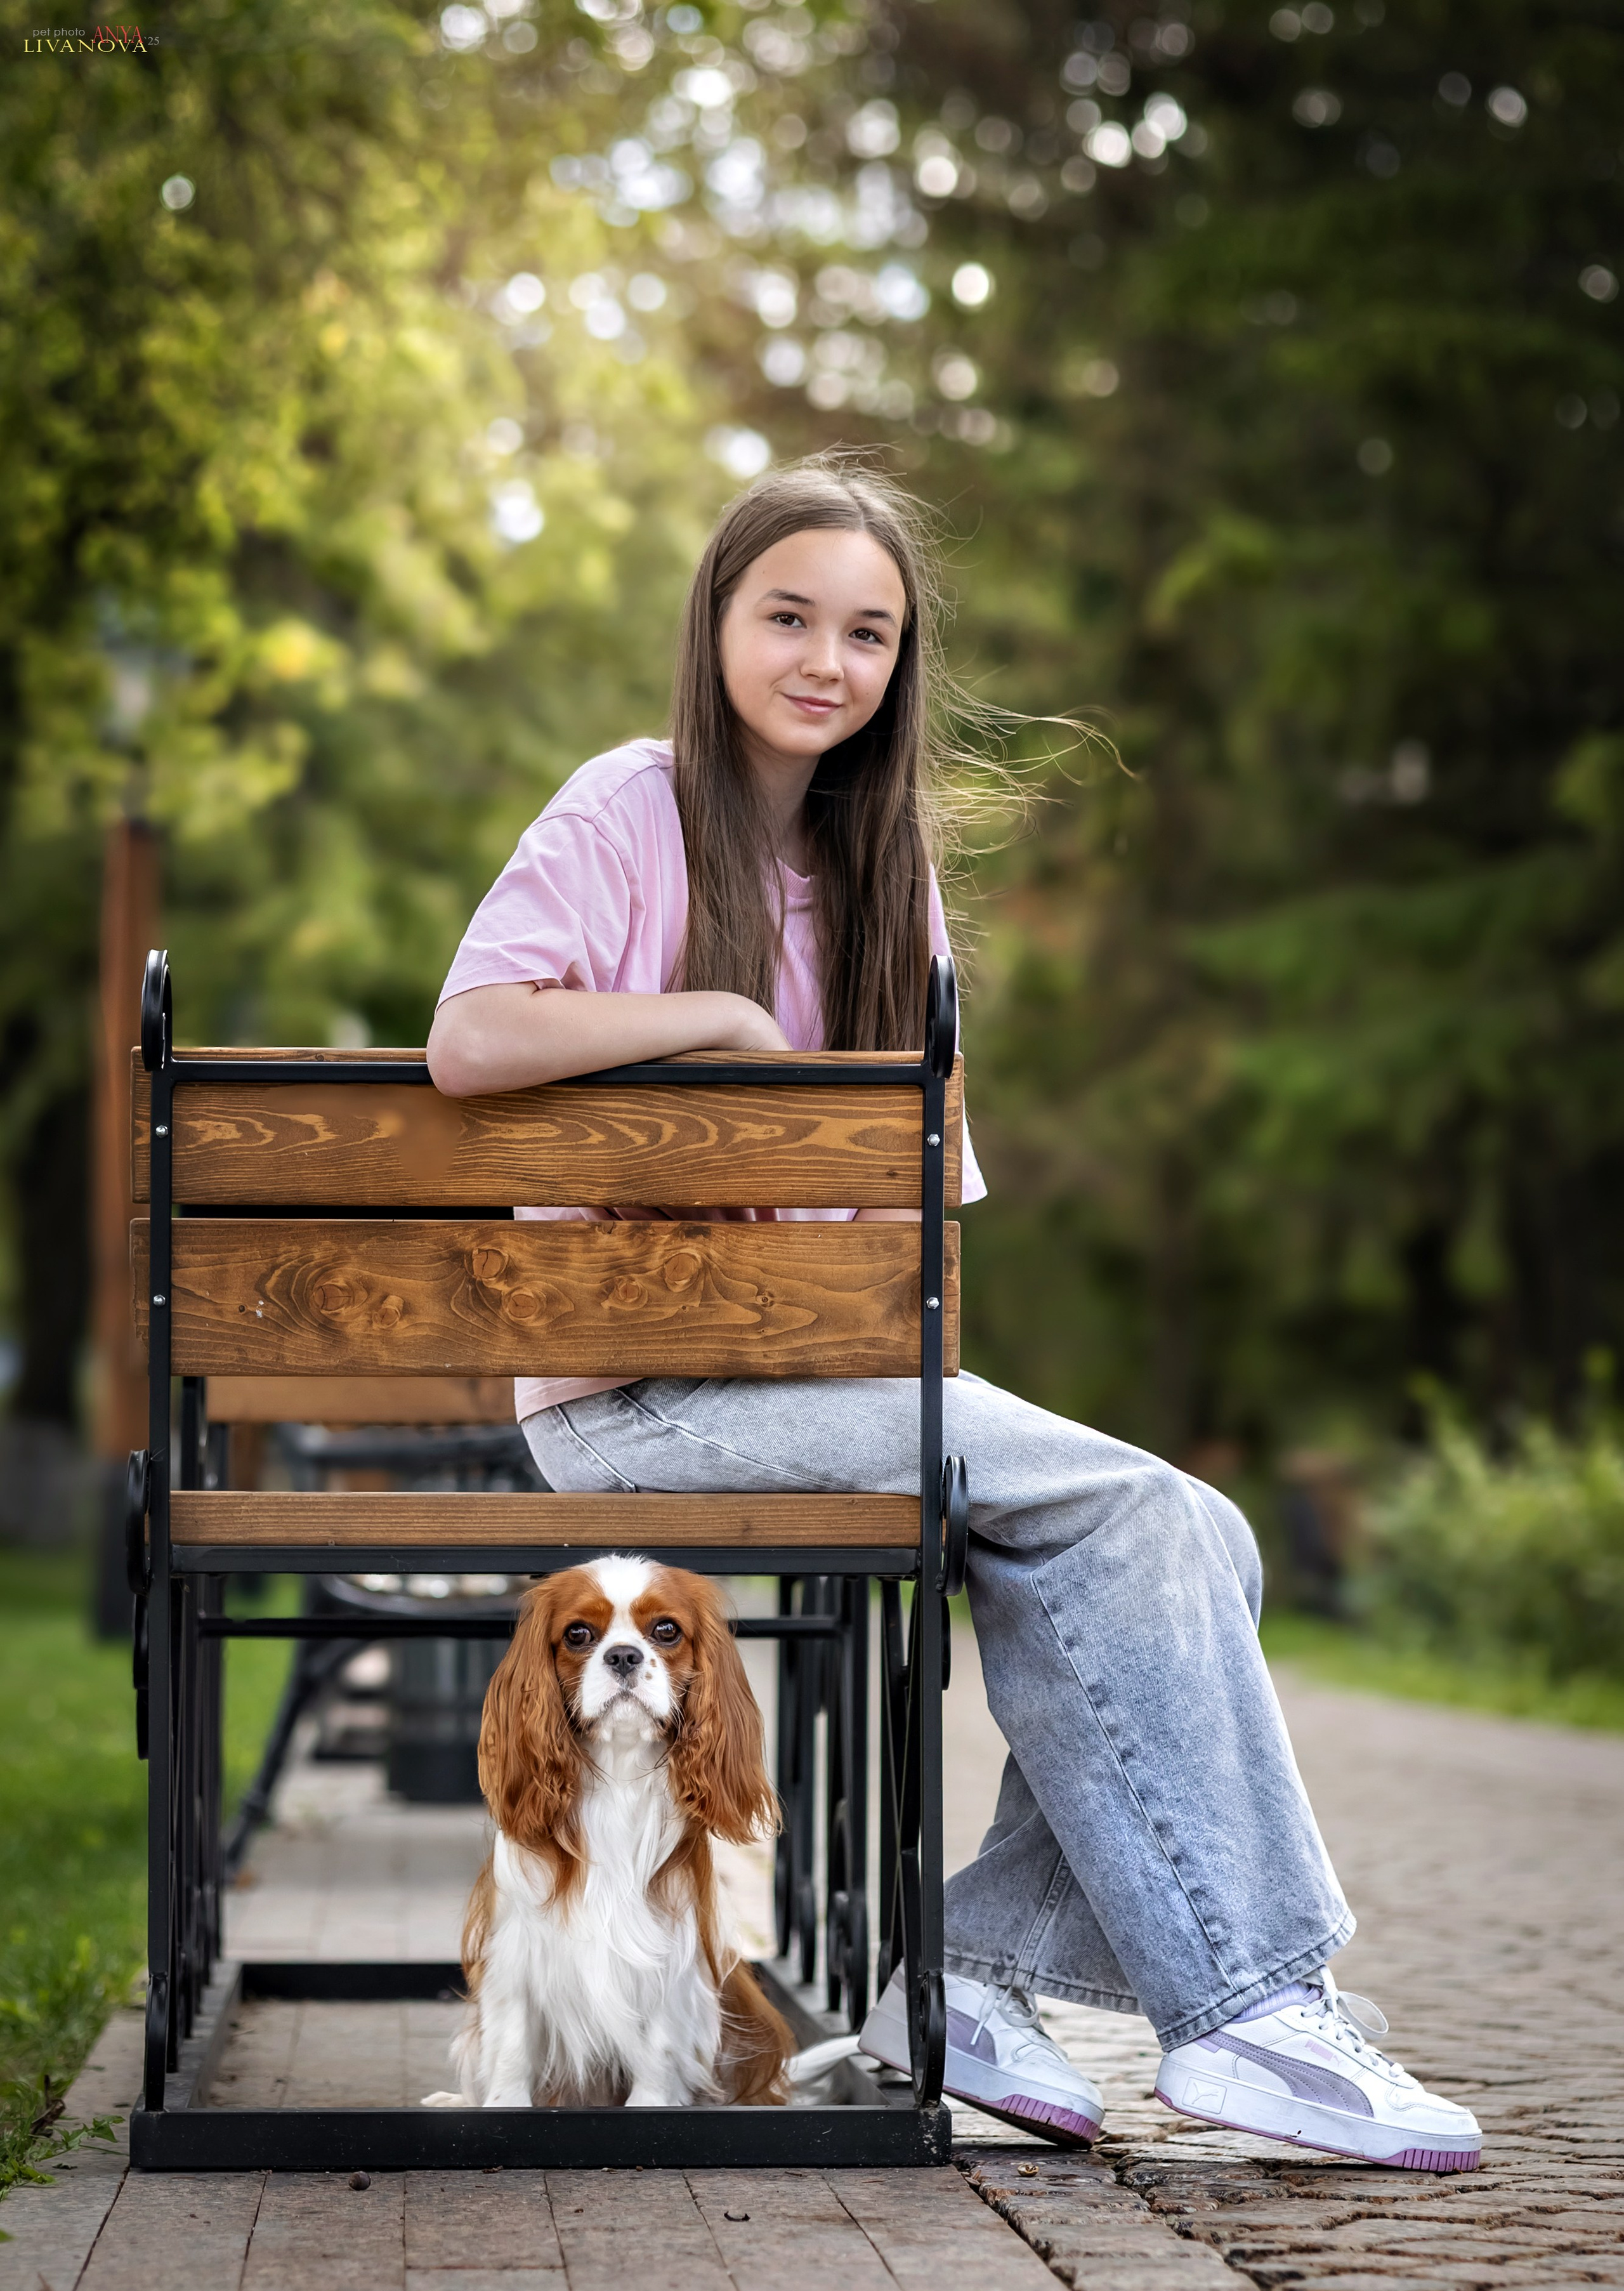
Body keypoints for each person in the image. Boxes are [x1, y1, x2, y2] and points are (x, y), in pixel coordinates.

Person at [428, 456, 1480, 2170]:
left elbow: (909, 1229)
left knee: (1188, 1523)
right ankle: (1243, 2015)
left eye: (868, 633)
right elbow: (468, 1042)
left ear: (899, 667)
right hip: (632, 1396)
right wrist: (718, 1025)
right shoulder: (627, 804)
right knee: (1141, 1508)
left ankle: (978, 1979)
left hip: (824, 1372)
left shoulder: (883, 878)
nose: (825, 660)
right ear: (716, 624)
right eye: (789, 618)